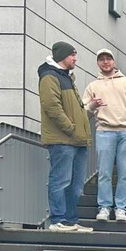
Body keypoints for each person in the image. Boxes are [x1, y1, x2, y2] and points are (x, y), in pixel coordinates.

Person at [83, 48, 126, 222]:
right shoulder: (93, 86)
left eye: (108, 58)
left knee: (125, 173)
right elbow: (83, 112)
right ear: (98, 63)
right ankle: (104, 207)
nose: (105, 62)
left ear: (114, 61)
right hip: (104, 131)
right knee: (104, 173)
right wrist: (92, 105)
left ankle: (121, 208)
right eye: (101, 59)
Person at [38, 41, 92, 233]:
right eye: (72, 55)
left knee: (75, 185)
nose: (75, 59)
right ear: (62, 56)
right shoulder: (49, 77)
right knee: (60, 181)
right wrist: (70, 128)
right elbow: (51, 106)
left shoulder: (67, 77)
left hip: (76, 140)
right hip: (62, 140)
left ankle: (70, 221)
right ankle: (58, 220)